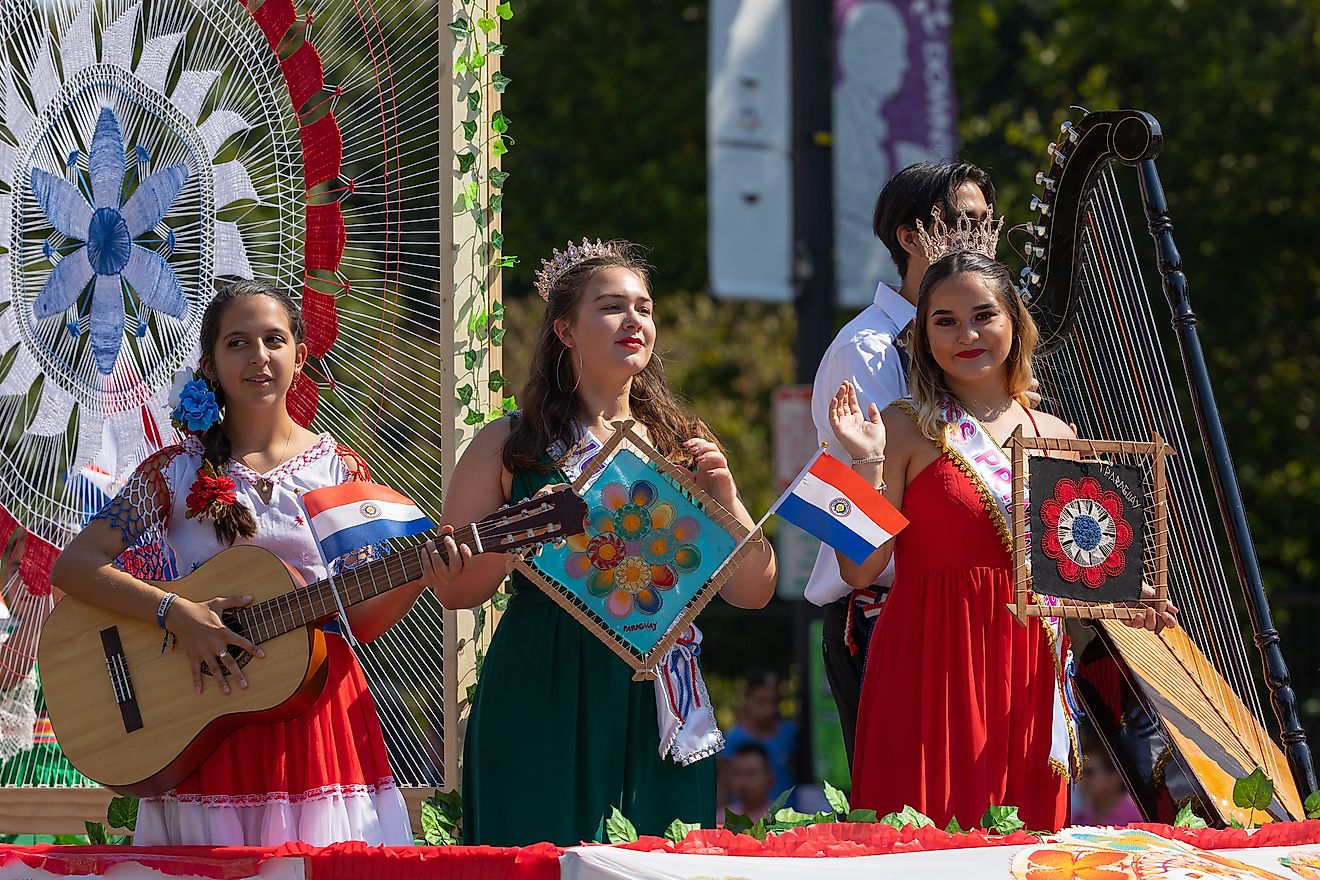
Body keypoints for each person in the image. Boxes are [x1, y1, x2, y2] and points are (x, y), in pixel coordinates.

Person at [51, 279, 443, 846]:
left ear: (300, 356)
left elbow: (355, 622)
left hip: (315, 720)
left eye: (273, 340)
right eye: (238, 343)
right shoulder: (173, 473)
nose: (258, 357)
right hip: (201, 720)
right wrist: (175, 613)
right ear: (210, 364)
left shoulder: (339, 470)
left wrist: (422, 574)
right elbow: (76, 566)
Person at [429, 239, 777, 846]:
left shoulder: (682, 445)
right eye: (612, 307)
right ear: (564, 329)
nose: (634, 320)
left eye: (644, 307)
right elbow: (461, 590)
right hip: (545, 679)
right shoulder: (510, 446)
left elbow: (754, 591)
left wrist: (726, 500)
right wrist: (509, 544)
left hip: (656, 692)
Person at [828, 249, 1177, 832]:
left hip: (1028, 665)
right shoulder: (901, 424)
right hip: (928, 659)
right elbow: (858, 573)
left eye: (983, 315)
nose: (966, 334)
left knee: (1024, 841)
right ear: (923, 336)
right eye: (945, 320)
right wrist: (865, 464)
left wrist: (1127, 593)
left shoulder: (1057, 434)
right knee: (925, 836)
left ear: (1014, 323)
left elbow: (1074, 565)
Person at [807, 162, 994, 768]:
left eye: (987, 225)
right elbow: (848, 501)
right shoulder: (868, 349)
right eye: (963, 223)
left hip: (974, 613)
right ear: (910, 238)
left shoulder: (982, 353)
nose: (980, 240)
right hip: (884, 613)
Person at [720, 667, 798, 802]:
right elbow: (723, 784)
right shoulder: (733, 738)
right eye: (760, 701)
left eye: (772, 701)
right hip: (744, 820)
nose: (768, 709)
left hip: (787, 818)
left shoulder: (790, 734)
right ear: (747, 699)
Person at [718, 743, 776, 825]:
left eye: (751, 774)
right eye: (737, 773)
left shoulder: (780, 818)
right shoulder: (721, 819)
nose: (743, 781)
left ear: (770, 777)